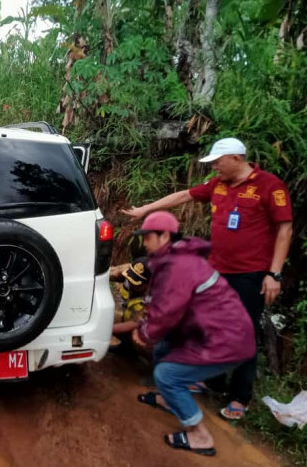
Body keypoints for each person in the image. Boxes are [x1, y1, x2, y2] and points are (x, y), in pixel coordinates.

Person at [122, 137, 293, 419]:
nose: (214, 167)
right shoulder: (217, 185)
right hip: (216, 271)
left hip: (250, 275)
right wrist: (145, 210)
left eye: (218, 162)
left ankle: (240, 396)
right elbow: (182, 196)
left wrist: (274, 274)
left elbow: (285, 230)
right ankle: (210, 379)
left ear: (237, 158)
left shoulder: (269, 186)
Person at [131, 211, 255, 456]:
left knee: (167, 375)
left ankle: (200, 435)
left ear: (165, 235)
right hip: (212, 331)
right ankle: (169, 400)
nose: (144, 242)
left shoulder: (178, 265)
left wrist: (144, 333)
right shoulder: (176, 259)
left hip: (225, 341)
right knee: (165, 348)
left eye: (148, 237)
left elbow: (167, 311)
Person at [109, 258, 150, 347]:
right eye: (129, 278)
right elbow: (111, 272)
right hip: (127, 314)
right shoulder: (131, 271)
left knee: (139, 338)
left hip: (143, 325)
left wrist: (105, 330)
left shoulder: (157, 300)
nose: (130, 283)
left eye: (135, 282)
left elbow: (135, 323)